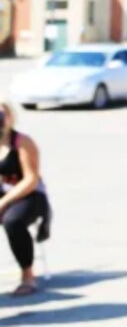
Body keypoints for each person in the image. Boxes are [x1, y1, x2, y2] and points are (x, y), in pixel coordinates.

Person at [0, 100, 51, 297]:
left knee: (12, 221)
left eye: (3, 114)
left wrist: (4, 202)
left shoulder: (22, 142)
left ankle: (27, 275)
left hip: (29, 195)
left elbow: (31, 179)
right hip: (4, 195)